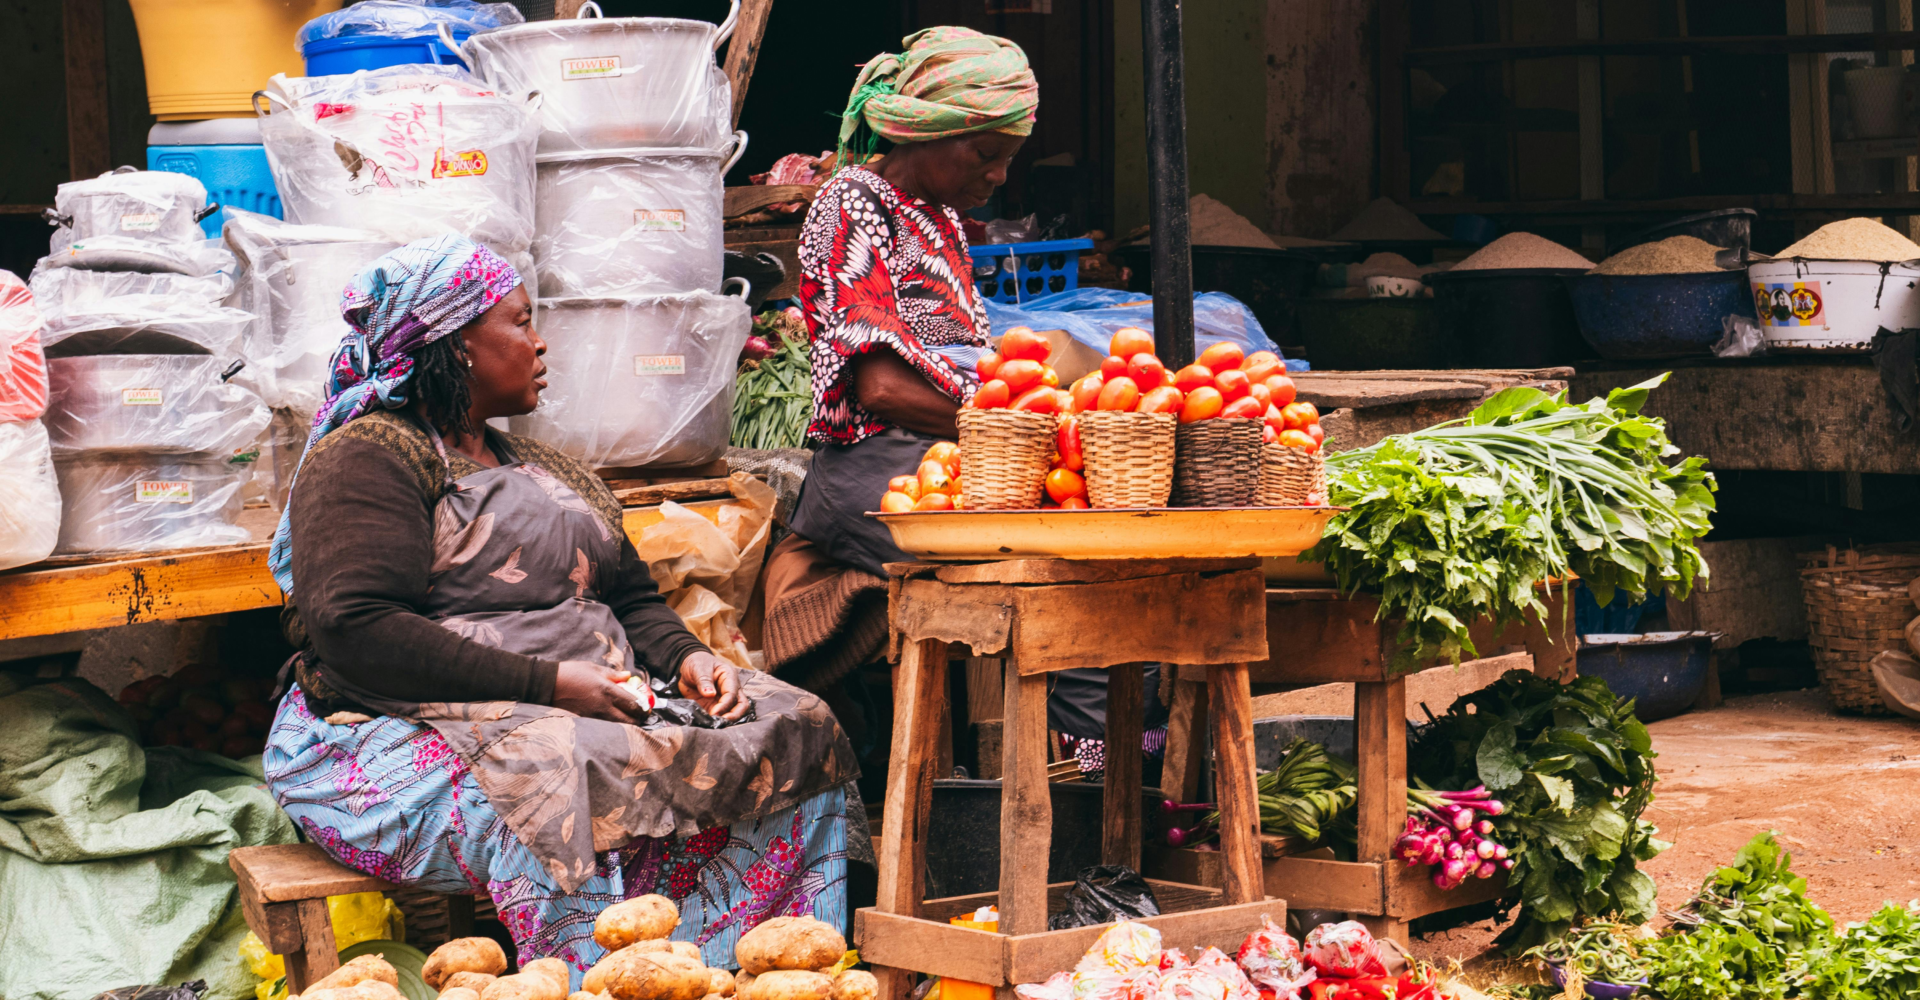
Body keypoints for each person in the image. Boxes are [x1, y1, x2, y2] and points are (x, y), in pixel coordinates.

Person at [261, 236, 857, 981]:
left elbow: (631, 596)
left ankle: (760, 980)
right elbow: (356, 628)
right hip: (381, 732)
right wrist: (552, 685)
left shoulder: (547, 467)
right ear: (456, 346)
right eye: (518, 322)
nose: (540, 343)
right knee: (560, 768)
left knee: (792, 724)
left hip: (574, 703)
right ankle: (594, 982)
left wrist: (688, 657)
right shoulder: (370, 454)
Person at [760, 27, 1037, 690]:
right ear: (926, 132)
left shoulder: (938, 215)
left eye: (1007, 159)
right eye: (985, 154)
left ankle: (1112, 764)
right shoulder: (851, 202)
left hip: (942, 454)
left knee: (1092, 558)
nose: (997, 176)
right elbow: (881, 387)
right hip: (876, 466)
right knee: (1042, 576)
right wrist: (1006, 424)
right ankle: (1094, 769)